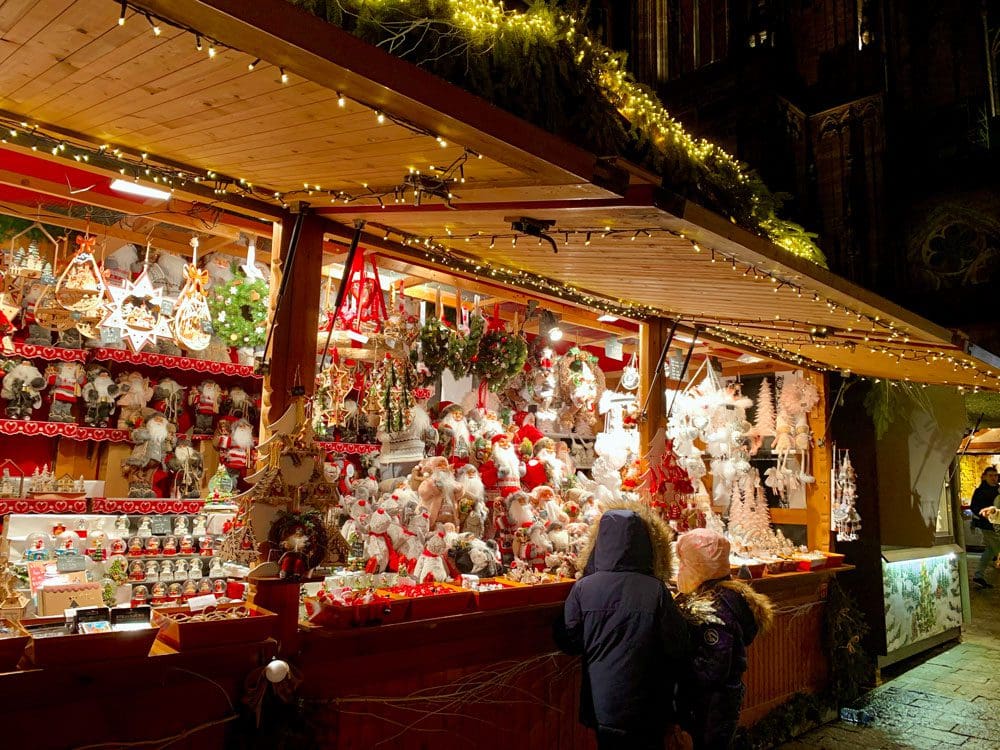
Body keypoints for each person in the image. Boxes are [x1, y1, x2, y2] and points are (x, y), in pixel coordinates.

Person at [554, 504, 690, 750]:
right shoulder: (655, 590)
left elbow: (569, 641)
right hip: (648, 703)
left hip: (603, 701)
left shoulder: (584, 588)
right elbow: (677, 643)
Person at [675, 529, 773, 750]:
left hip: (711, 703)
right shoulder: (723, 595)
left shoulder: (715, 608)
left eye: (684, 564)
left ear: (700, 566)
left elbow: (714, 666)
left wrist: (680, 667)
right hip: (718, 699)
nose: (680, 570)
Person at [970, 466, 1000, 589]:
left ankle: (978, 575)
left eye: (995, 475)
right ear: (985, 477)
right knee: (995, 548)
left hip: (995, 525)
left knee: (991, 550)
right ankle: (978, 575)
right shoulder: (980, 491)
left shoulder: (998, 489)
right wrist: (985, 516)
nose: (994, 478)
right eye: (991, 475)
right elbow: (974, 507)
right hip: (988, 526)